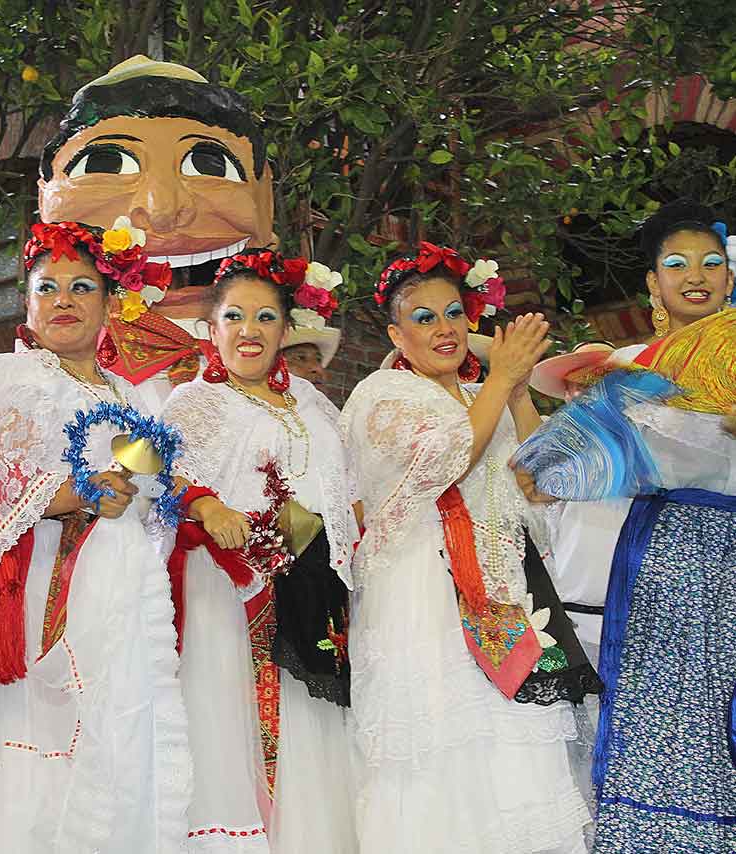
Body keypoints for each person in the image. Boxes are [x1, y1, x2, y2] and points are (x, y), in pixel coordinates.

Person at [339, 243, 596, 853]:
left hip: (505, 590)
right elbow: (451, 458)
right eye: (423, 318)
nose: (444, 329)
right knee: (446, 751)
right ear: (397, 334)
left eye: (454, 313)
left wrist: (518, 392)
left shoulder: (482, 395)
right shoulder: (383, 395)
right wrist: (500, 377)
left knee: (515, 746)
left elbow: (545, 484)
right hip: (427, 594)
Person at [0, 220, 189, 853]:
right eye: (47, 287)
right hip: (47, 578)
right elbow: (1, 483)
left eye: (82, 287)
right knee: (48, 732)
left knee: (119, 728)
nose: (63, 300)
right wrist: (82, 493)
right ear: (26, 303)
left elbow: (151, 492)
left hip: (124, 580)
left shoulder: (128, 395)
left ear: (111, 305)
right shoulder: (11, 375)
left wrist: (134, 489)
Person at [516, 201, 736, 854]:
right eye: (676, 264)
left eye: (710, 264)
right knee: (670, 722)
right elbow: (544, 473)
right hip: (667, 559)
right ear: (653, 283)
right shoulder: (630, 371)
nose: (695, 276)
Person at [160, 248, 357, 852]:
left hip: (316, 583)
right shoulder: (192, 401)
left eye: (266, 318)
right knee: (238, 724)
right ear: (211, 328)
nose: (250, 332)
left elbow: (349, 482)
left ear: (286, 329)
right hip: (233, 589)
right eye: (235, 317)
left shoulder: (311, 400)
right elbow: (154, 470)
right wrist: (205, 504)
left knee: (313, 724)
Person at [39, 55, 278, 409]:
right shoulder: (39, 383)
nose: (160, 210)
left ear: (264, 199)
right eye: (107, 163)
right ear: (44, 198)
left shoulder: (288, 386)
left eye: (209, 165)